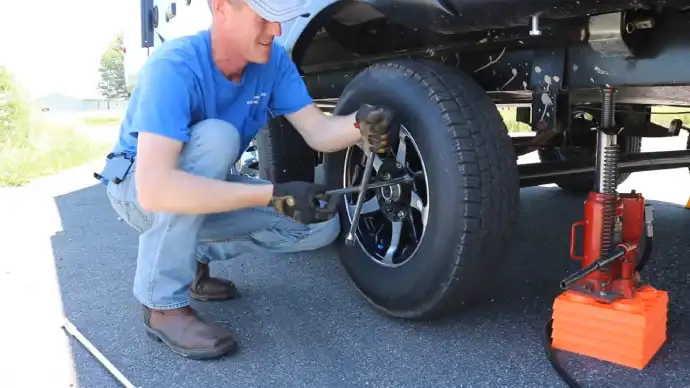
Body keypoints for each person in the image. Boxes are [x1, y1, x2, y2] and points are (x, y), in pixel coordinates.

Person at [100, 0, 398, 360]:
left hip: (196, 192)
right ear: (222, 7)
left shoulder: (273, 63)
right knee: (217, 137)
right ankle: (162, 305)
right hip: (138, 191)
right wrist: (274, 195)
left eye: (281, 21)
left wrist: (358, 125)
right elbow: (155, 189)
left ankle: (189, 258)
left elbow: (318, 132)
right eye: (264, 19)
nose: (276, 31)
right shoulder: (174, 66)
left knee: (317, 226)